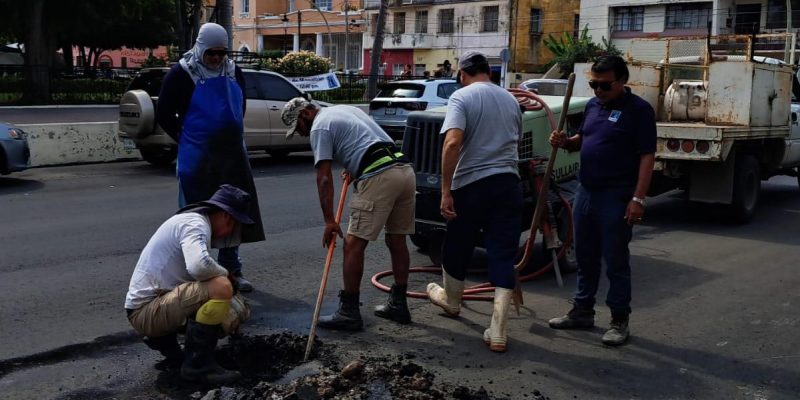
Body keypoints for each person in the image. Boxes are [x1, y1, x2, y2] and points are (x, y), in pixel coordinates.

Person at [547, 55, 656, 346]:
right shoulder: (593, 106)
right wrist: (564, 142)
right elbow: (582, 139)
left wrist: (638, 198)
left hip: (616, 195)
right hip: (586, 190)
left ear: (622, 81)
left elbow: (647, 157)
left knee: (615, 259)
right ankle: (582, 311)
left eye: (605, 85)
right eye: (594, 84)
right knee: (585, 255)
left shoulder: (639, 110)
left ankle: (619, 320)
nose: (598, 90)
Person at [280, 97, 416, 331]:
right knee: (397, 240)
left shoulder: (320, 126)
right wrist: (355, 166)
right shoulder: (344, 109)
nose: (301, 134)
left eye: (298, 127)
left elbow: (324, 178)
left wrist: (329, 221)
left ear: (306, 114)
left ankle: (349, 312)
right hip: (403, 171)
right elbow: (370, 143)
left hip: (379, 177)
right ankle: (399, 304)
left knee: (353, 245)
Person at [425, 51, 523, 353]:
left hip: (472, 185)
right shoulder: (511, 99)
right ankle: (498, 330)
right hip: (508, 183)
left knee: (457, 244)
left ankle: (452, 301)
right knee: (502, 252)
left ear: (462, 75)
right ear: (488, 73)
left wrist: (445, 190)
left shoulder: (462, 96)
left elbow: (452, 142)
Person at [156, 23, 265, 293]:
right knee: (196, 215)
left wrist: (230, 130)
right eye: (211, 53)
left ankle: (231, 270)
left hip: (232, 155)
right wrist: (185, 138)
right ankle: (195, 274)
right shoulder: (182, 73)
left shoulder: (233, 71)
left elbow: (240, 105)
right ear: (200, 48)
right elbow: (165, 113)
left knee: (231, 213)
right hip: (198, 156)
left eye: (221, 52)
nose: (217, 58)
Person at [124, 184, 254, 384]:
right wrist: (226, 275)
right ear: (226, 217)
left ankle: (165, 340)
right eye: (234, 226)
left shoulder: (190, 221)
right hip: (147, 312)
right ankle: (198, 367)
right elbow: (199, 267)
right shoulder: (195, 224)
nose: (230, 233)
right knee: (222, 288)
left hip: (147, 308)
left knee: (220, 291)